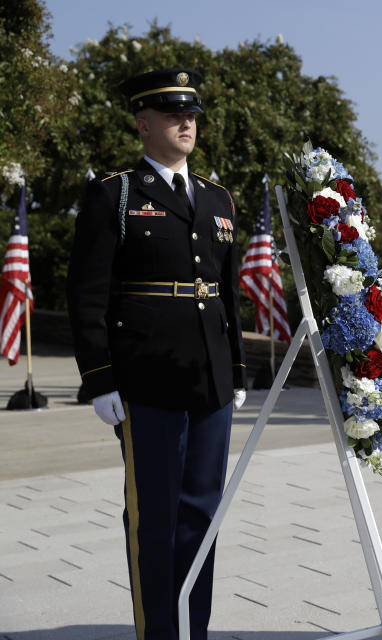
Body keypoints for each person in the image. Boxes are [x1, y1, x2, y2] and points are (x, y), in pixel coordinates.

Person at [66, 68, 247, 640]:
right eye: (173, 114)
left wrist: (237, 369)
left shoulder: (219, 199)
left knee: (202, 517)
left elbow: (227, 293)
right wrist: (99, 379)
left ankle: (195, 631)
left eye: (191, 113)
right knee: (156, 521)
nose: (186, 122)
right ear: (144, 124)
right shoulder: (115, 194)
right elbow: (86, 293)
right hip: (146, 383)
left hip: (210, 381)